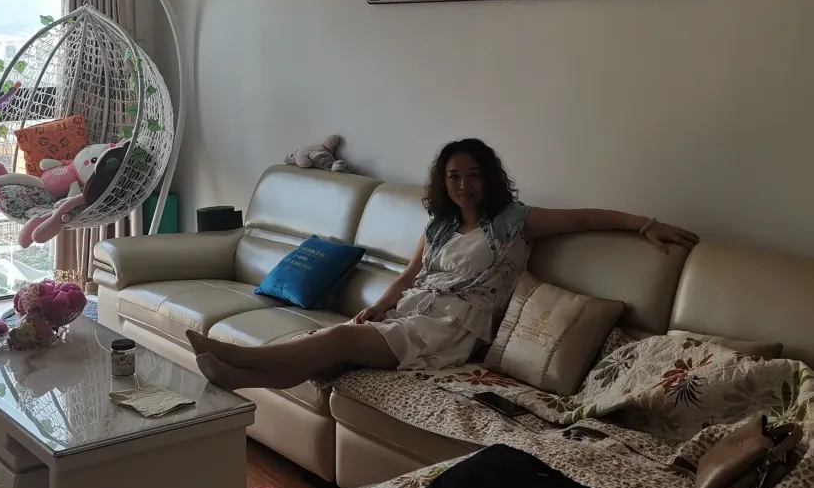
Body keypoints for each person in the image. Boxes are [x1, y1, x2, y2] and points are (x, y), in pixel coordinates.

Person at [187, 138, 698, 392]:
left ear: (488, 178)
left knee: (338, 340)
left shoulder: (514, 222)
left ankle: (238, 364)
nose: (463, 185)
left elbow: (584, 217)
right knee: (332, 350)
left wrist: (644, 225)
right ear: (443, 181)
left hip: (457, 329)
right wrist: (378, 308)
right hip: (416, 312)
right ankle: (239, 374)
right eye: (454, 176)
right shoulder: (439, 226)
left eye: (473, 175)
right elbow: (408, 276)